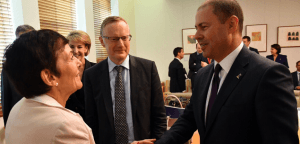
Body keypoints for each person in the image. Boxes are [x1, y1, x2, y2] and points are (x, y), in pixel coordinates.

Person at [156, 0, 298, 143]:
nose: (196, 36)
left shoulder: (269, 75)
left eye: (203, 27)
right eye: (196, 28)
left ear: (232, 24)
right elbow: (187, 121)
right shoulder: (203, 76)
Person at [84, 16, 166, 144]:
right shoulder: (91, 75)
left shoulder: (148, 69)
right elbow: (91, 119)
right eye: (114, 39)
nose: (121, 44)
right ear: (102, 41)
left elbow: (159, 115)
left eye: (124, 38)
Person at [4, 29, 95, 144]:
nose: (79, 62)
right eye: (71, 57)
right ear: (49, 77)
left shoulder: (18, 108)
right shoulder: (67, 126)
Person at [1, 24, 35, 126]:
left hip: (41, 117)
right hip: (19, 119)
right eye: (22, 39)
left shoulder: (43, 62)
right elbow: (6, 97)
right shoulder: (9, 66)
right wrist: (7, 124)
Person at [65, 30, 96, 120]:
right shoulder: (63, 71)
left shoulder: (96, 70)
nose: (75, 51)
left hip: (91, 122)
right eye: (71, 47)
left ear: (86, 48)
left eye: (79, 47)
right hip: (69, 122)